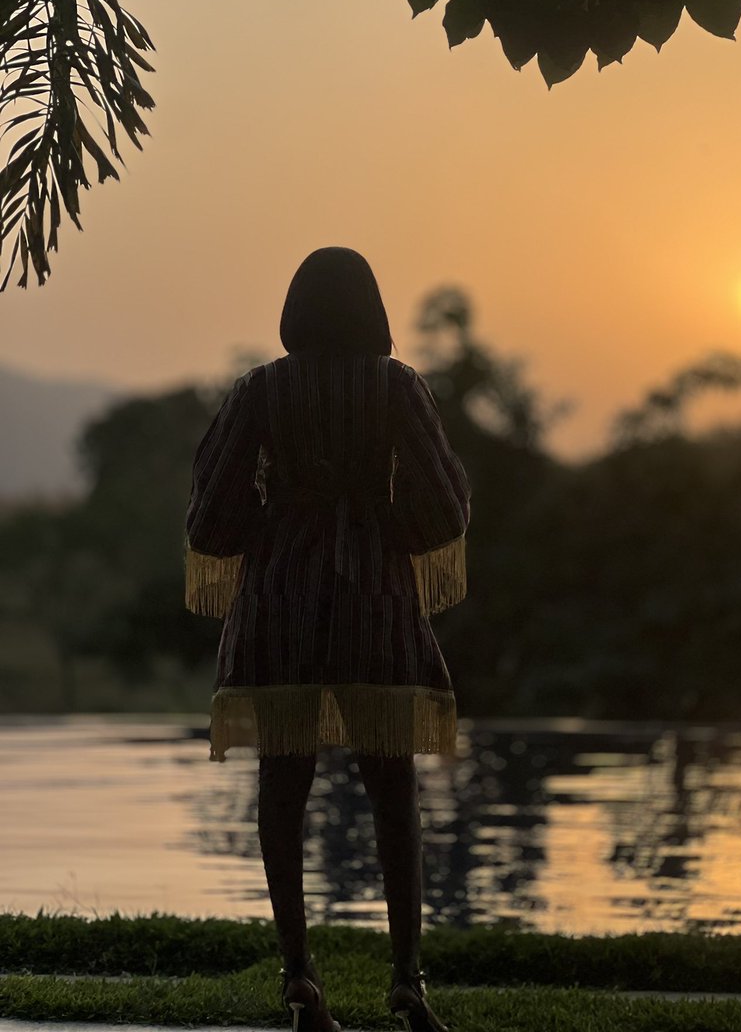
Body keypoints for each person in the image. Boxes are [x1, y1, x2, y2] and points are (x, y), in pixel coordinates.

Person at [184, 247, 471, 1032]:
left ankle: (299, 976)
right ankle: (409, 980)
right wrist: (387, 526)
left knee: (284, 786)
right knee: (393, 791)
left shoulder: (262, 390)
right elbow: (446, 509)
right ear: (373, 311)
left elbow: (210, 512)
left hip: (282, 600)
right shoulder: (397, 388)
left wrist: (272, 526)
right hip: (375, 599)